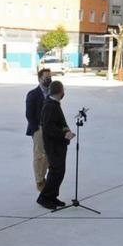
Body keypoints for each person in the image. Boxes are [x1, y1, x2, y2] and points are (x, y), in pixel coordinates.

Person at [37, 80, 75, 210]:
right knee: (55, 171)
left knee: (59, 171)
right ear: (59, 92)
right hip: (53, 146)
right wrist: (63, 134)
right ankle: (44, 197)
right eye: (63, 90)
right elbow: (48, 128)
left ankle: (52, 196)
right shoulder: (50, 106)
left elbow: (60, 122)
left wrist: (67, 130)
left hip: (58, 145)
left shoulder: (55, 103)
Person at [25, 68, 52, 193]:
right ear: (40, 79)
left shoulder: (51, 93)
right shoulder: (33, 94)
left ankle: (42, 176)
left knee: (47, 154)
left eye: (49, 77)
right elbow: (29, 114)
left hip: (49, 129)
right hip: (38, 129)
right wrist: (36, 129)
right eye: (46, 77)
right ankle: (39, 180)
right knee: (38, 155)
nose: (48, 79)